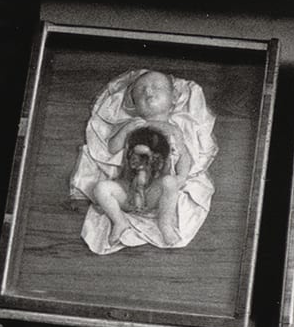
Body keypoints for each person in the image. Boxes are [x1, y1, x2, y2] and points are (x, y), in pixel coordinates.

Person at [70, 67, 216, 255]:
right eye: (140, 90)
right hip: (127, 190)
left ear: (173, 98)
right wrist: (126, 130)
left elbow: (184, 156)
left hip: (155, 192)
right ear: (134, 104)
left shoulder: (173, 130)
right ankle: (119, 221)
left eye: (157, 87)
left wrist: (181, 177)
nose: (148, 91)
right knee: (101, 189)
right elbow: (112, 148)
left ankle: (165, 222)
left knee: (170, 182)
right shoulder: (130, 125)